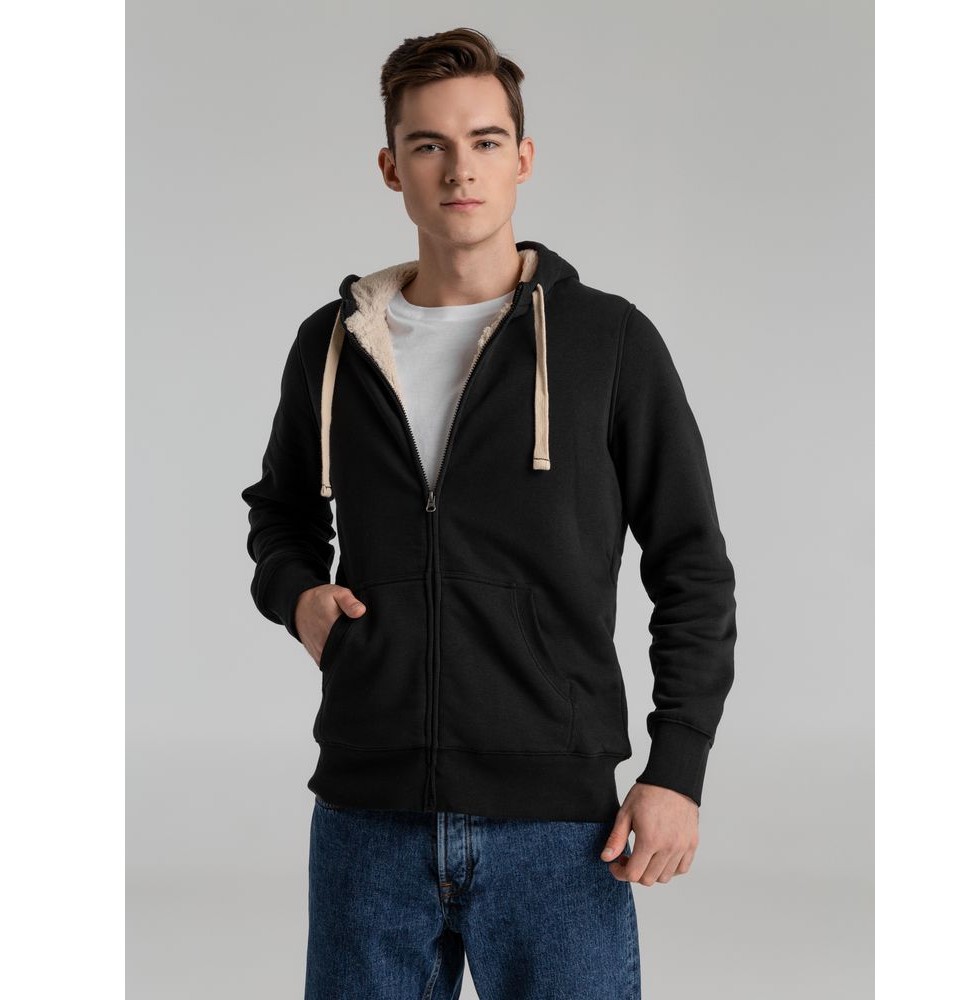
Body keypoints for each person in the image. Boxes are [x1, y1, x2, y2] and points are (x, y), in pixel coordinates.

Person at [240, 26, 737, 1000]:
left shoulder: (608, 342)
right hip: (368, 817)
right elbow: (281, 512)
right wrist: (298, 595)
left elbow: (691, 566)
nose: (458, 168)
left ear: (523, 158)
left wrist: (677, 767)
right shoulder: (333, 345)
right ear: (391, 167)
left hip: (559, 828)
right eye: (428, 144)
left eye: (484, 140)